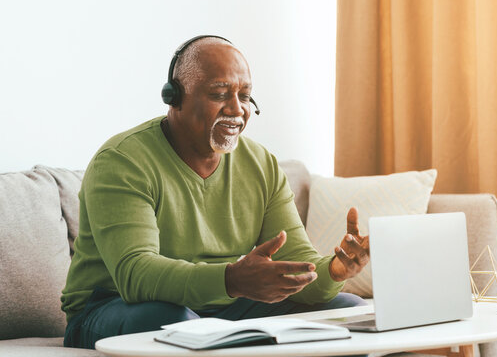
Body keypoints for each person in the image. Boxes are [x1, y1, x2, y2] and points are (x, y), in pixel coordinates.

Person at [61, 36, 370, 349]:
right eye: (220, 94)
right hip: (111, 308)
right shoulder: (123, 161)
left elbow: (297, 265)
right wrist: (232, 279)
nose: (237, 109)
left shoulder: (261, 164)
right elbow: (136, 276)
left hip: (222, 305)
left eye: (246, 96)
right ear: (174, 97)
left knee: (348, 313)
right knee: (173, 322)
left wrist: (334, 269)